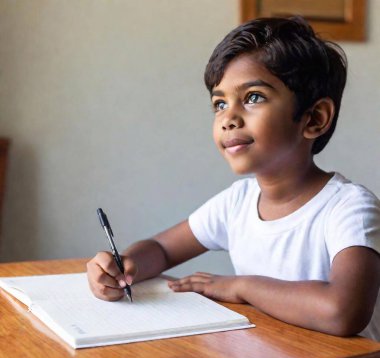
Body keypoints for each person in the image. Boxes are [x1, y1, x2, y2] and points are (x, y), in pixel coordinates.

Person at [87, 16, 380, 341]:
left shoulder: (350, 208)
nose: (228, 118)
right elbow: (162, 249)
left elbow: (343, 311)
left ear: (314, 119)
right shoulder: (237, 203)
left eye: (253, 97)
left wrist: (241, 286)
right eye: (220, 103)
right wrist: (124, 266)